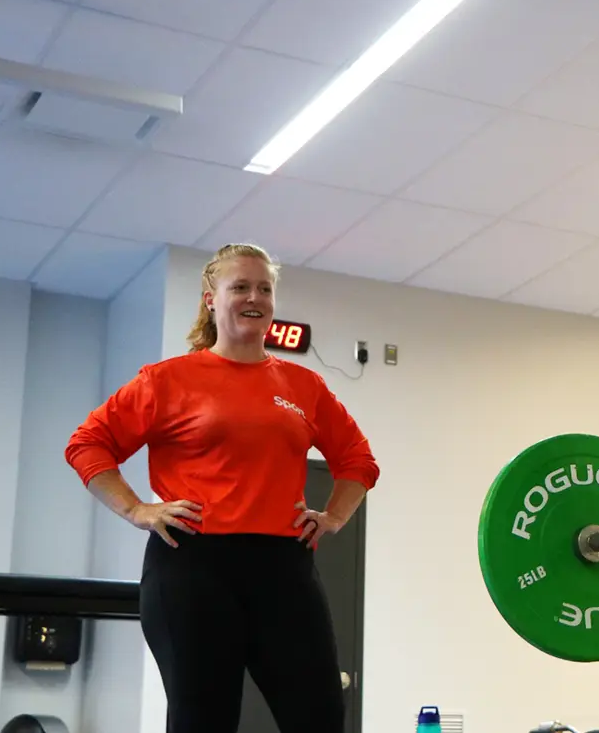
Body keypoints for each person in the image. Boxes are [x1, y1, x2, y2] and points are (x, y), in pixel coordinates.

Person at [64, 243, 380, 733]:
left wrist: (334, 516)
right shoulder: (168, 380)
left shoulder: (303, 385)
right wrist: (137, 510)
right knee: (203, 722)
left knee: (320, 718)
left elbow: (358, 460)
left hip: (284, 569)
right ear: (211, 299)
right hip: (193, 569)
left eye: (264, 288)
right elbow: (88, 445)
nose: (254, 297)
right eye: (240, 287)